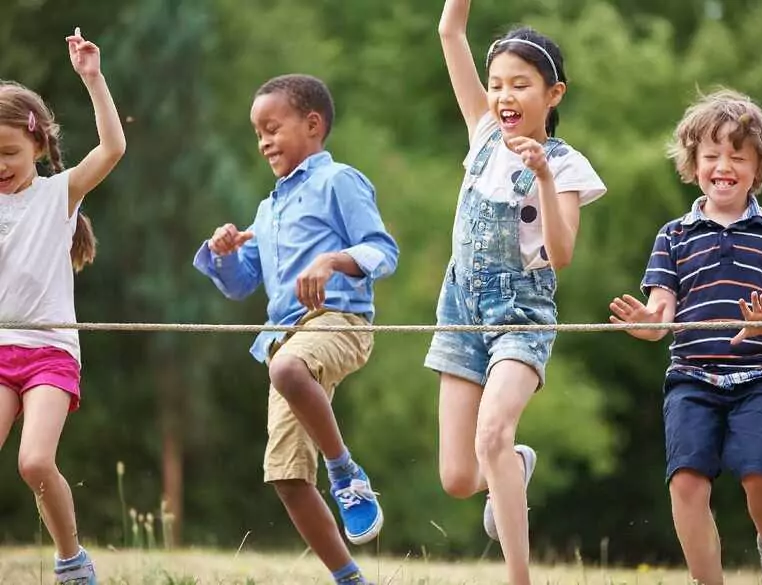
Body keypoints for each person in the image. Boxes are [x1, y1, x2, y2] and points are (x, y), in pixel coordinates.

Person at [424, 1, 606, 582]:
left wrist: (547, 181)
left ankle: (518, 577)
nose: (504, 95)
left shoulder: (566, 163)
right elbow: (450, 31)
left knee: (492, 432)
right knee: (458, 475)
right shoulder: (481, 133)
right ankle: (512, 464)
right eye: (497, 83)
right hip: (461, 311)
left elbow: (562, 254)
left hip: (521, 313)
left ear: (553, 94)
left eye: (520, 85)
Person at [194, 74, 398, 585]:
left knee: (287, 367)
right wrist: (223, 255)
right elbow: (243, 284)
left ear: (312, 124)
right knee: (286, 477)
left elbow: (383, 251)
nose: (263, 141)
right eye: (257, 132)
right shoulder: (268, 210)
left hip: (341, 322)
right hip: (284, 337)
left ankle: (346, 473)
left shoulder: (340, 181)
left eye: (272, 127)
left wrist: (331, 260)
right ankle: (350, 579)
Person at [609, 88, 762, 585]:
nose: (723, 165)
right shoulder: (674, 235)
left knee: (761, 474)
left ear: (758, 167)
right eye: (711, 155)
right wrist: (649, 324)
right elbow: (662, 313)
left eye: (737, 156)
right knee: (686, 481)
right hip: (692, 379)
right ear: (693, 163)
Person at [0, 28, 126, 585]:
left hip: (50, 350)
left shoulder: (59, 194)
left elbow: (113, 149)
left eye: (8, 153)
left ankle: (72, 560)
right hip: (0, 347)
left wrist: (92, 79)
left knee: (33, 461)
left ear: (38, 147)